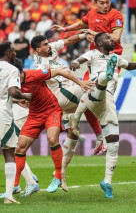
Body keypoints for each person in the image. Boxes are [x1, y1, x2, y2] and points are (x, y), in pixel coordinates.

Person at [70, 32, 136, 199]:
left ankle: (107, 182)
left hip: (108, 103)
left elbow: (130, 66)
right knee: (101, 84)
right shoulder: (93, 54)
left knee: (113, 144)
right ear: (99, 43)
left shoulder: (116, 57)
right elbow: (80, 60)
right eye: (108, 39)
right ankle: (106, 76)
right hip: (93, 91)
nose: (112, 40)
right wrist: (75, 62)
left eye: (112, 39)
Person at [31, 34, 99, 192]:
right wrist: (81, 82)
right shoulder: (41, 65)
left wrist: (82, 34)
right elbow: (63, 74)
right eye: (45, 45)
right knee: (93, 87)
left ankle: (58, 175)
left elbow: (68, 40)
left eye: (48, 43)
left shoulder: (51, 49)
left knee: (73, 133)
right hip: (64, 95)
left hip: (68, 97)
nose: (49, 46)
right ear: (37, 49)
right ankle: (100, 135)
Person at [13, 58, 92, 196]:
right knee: (20, 147)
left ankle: (58, 176)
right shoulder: (11, 84)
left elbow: (60, 71)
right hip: (34, 114)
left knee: (52, 139)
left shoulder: (35, 74)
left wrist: (80, 82)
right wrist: (19, 100)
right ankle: (14, 185)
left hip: (51, 110)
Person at [0, 42, 32, 204]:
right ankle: (8, 196)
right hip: (2, 113)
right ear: (10, 54)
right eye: (13, 51)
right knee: (9, 152)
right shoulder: (12, 70)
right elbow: (12, 92)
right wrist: (26, 96)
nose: (15, 53)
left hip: (5, 107)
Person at [51, 0, 124, 56]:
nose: (105, 6)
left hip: (111, 54)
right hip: (95, 54)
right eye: (102, 3)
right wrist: (66, 29)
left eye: (107, 2)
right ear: (94, 3)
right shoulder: (92, 12)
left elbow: (116, 37)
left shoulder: (116, 15)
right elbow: (80, 25)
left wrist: (95, 33)